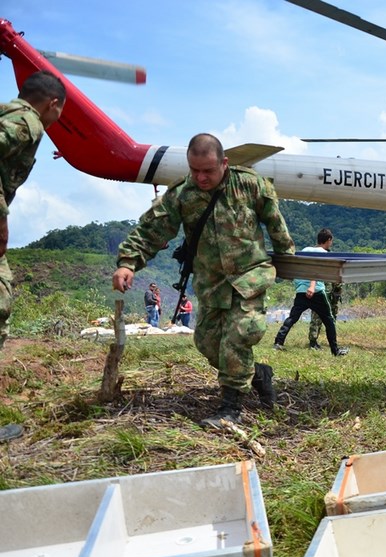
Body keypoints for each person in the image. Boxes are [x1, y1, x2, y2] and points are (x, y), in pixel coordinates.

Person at [112, 133, 294, 428]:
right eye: (194, 170)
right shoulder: (182, 194)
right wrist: (128, 263)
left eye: (208, 170)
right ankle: (259, 374)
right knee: (208, 343)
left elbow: (274, 221)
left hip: (250, 276)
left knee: (239, 336)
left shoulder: (249, 184)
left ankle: (230, 408)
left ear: (224, 163)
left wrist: (288, 256)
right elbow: (151, 230)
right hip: (212, 283)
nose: (201, 177)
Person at [0, 70, 66, 351]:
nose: (58, 117)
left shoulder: (7, 112)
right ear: (53, 103)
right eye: (60, 110)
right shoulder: (28, 123)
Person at [273, 228, 348, 356]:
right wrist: (312, 286)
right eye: (331, 241)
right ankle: (335, 350)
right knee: (329, 320)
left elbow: (299, 268)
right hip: (316, 291)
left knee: (292, 318)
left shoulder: (305, 250)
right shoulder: (323, 253)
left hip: (301, 291)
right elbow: (315, 269)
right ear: (329, 240)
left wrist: (300, 286)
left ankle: (278, 342)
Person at [306, 229, 342, 350]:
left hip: (326, 290)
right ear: (329, 240)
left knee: (325, 317)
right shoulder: (323, 255)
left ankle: (324, 340)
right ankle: (313, 341)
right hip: (321, 289)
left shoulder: (312, 253)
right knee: (319, 316)